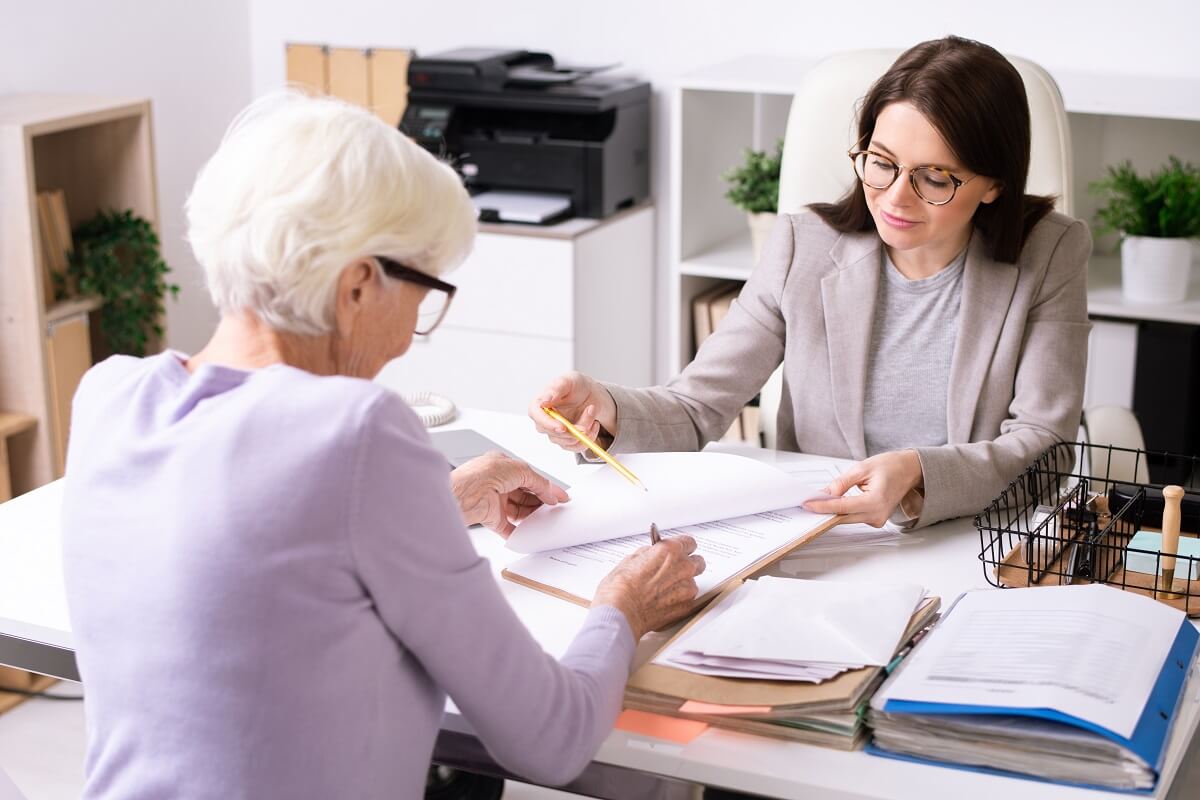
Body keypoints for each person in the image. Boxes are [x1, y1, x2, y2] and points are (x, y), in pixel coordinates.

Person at [60, 91, 705, 800]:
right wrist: (623, 605)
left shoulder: (110, 396)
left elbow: (257, 539)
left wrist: (439, 500)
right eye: (424, 292)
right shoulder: (355, 431)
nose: (409, 338)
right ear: (361, 285)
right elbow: (551, 738)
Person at [530, 36, 1091, 529]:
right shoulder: (805, 245)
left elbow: (1045, 449)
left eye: (935, 177)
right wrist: (603, 410)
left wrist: (921, 472)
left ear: (993, 184)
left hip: (975, 538)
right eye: (881, 162)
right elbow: (697, 405)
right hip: (822, 532)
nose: (895, 198)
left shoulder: (1049, 253)